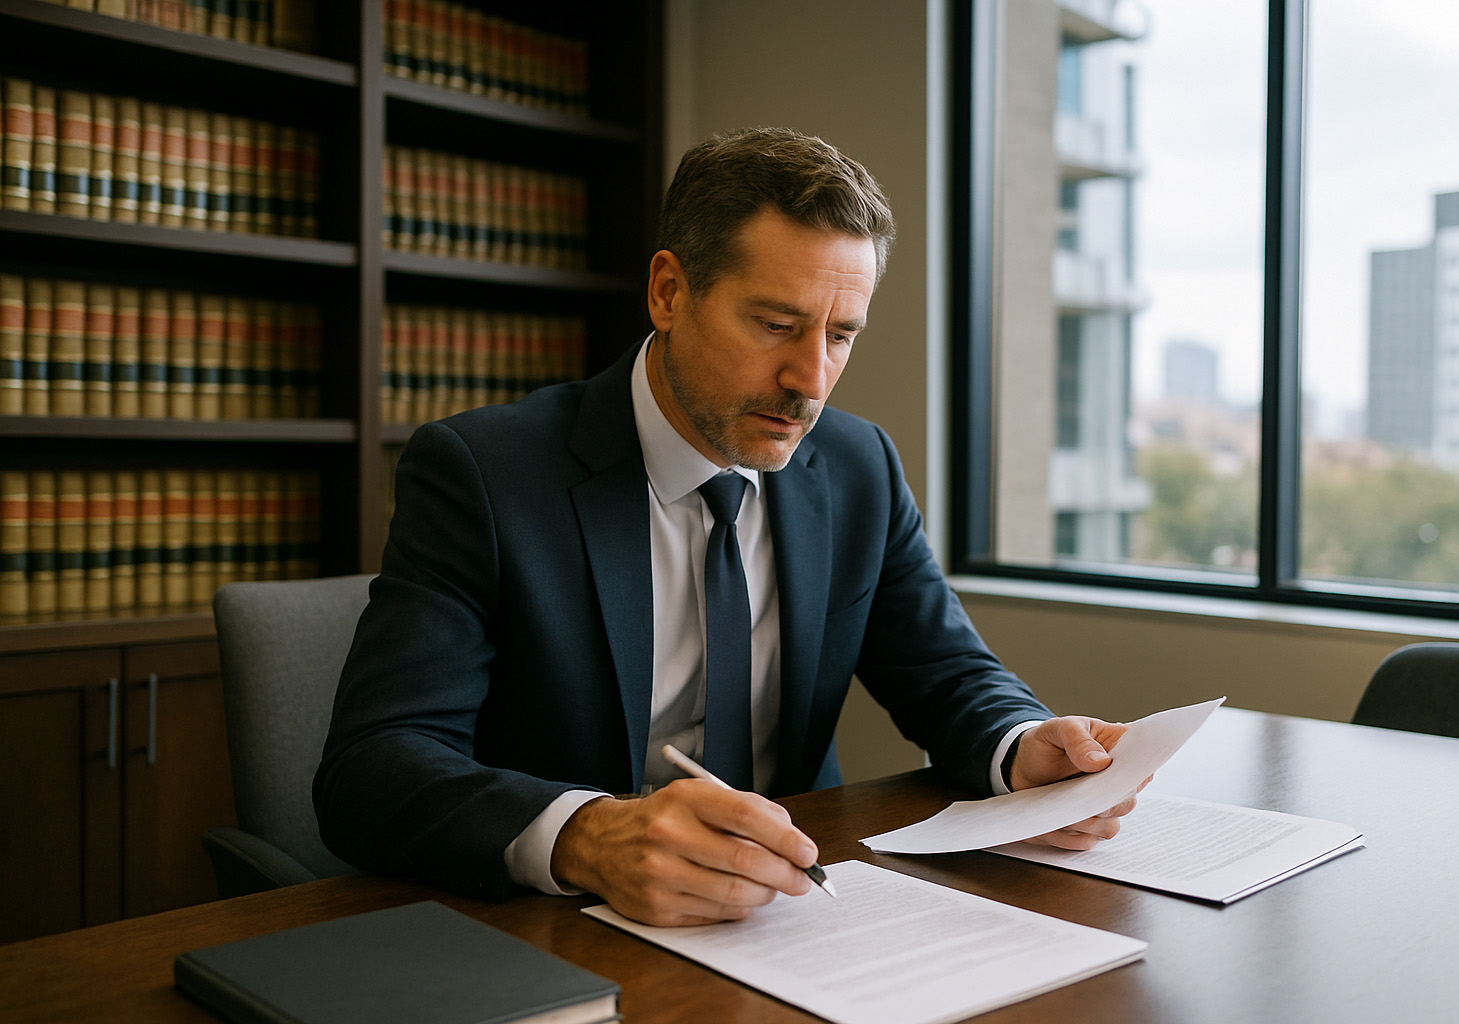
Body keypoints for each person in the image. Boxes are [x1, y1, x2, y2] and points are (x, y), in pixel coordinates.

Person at [314, 126, 1142, 927]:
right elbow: (373, 768)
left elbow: (950, 674)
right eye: (776, 325)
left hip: (795, 909)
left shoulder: (858, 467)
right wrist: (587, 835)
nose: (809, 379)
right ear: (669, 292)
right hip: (564, 926)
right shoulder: (484, 472)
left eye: (840, 335)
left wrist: (1021, 743)